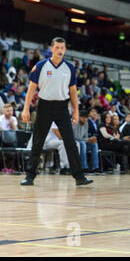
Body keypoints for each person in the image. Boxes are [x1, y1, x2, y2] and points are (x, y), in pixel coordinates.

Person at [20, 37, 93, 186]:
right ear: (52, 49)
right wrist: (26, 108)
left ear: (65, 49)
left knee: (70, 142)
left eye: (62, 48)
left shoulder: (70, 68)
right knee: (38, 141)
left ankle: (79, 177)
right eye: (57, 47)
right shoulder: (40, 66)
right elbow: (31, 89)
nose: (60, 50)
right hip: (44, 106)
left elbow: (73, 92)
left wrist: (76, 111)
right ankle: (29, 176)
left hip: (62, 107)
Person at [73, 110, 100, 174]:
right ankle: (84, 167)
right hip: (75, 143)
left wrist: (90, 139)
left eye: (86, 117)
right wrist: (88, 139)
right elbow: (76, 137)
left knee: (94, 144)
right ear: (79, 117)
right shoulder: (75, 123)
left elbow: (85, 136)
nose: (85, 119)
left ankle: (95, 167)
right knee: (83, 144)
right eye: (83, 117)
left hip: (83, 143)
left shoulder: (86, 124)